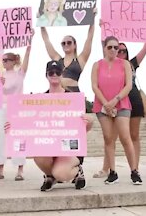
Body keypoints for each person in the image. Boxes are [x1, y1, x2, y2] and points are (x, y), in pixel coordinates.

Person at [6, 60, 92, 192]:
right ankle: (50, 175)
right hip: (49, 147)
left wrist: (89, 121)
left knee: (61, 174)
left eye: (58, 72)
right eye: (51, 72)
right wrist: (13, 128)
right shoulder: (41, 99)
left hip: (68, 149)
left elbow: (83, 128)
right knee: (38, 155)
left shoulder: (72, 98)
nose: (54, 75)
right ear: (46, 75)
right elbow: (30, 124)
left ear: (62, 74)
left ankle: (77, 171)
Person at [91, 36, 142, 185]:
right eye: (110, 47)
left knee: (125, 137)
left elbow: (128, 85)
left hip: (121, 104)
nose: (113, 50)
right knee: (108, 138)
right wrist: (106, 103)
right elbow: (94, 85)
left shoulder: (125, 64)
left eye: (116, 48)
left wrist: (115, 100)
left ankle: (134, 171)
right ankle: (112, 172)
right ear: (104, 48)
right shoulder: (97, 65)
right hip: (102, 105)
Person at [0, 45, 32, 181]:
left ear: (14, 61)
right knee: (0, 138)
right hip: (1, 107)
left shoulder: (20, 73)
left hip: (17, 108)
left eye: (7, 59)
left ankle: (20, 170)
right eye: (3, 60)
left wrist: (28, 48)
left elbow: (26, 61)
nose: (5, 62)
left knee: (18, 138)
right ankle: (0, 170)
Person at [40, 10, 96, 92]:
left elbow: (89, 38)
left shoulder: (80, 60)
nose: (66, 44)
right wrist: (41, 24)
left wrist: (92, 18)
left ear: (75, 45)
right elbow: (46, 40)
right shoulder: (58, 59)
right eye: (63, 43)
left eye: (69, 42)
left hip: (74, 92)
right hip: (59, 92)